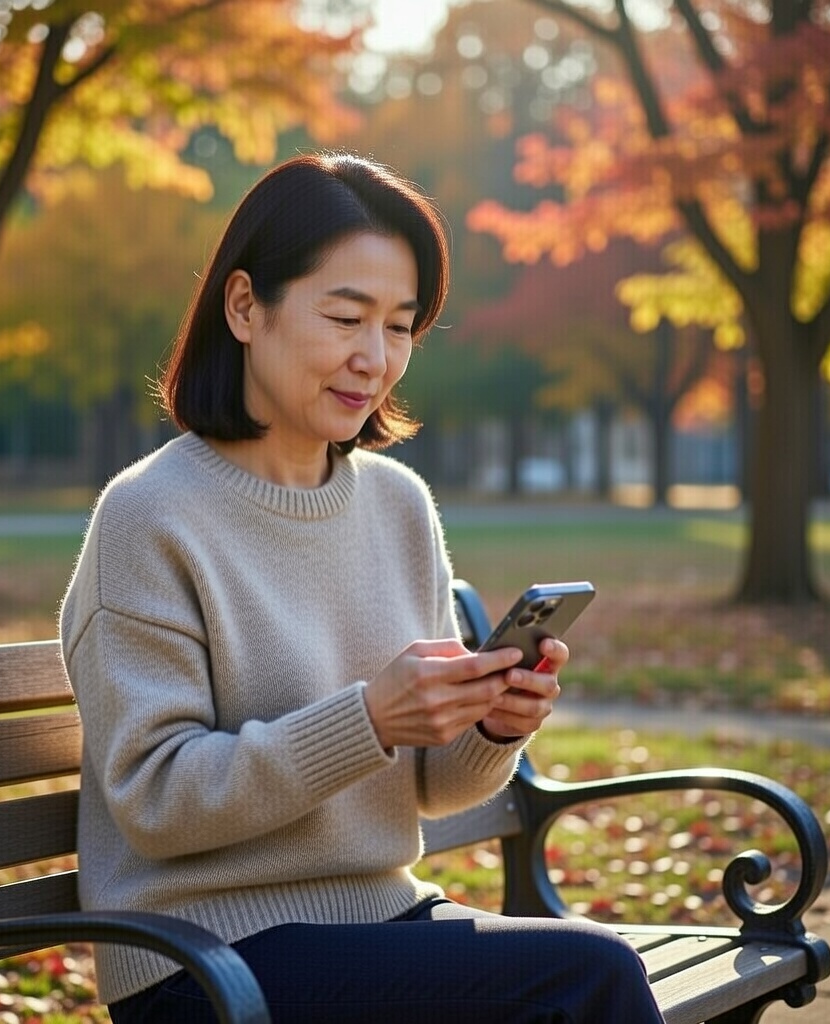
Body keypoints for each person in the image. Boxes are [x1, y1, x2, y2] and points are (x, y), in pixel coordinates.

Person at [60, 151, 664, 1023]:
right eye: (346, 317)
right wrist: (368, 718)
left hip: (382, 919)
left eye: (400, 326)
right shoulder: (150, 517)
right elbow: (156, 803)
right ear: (243, 307)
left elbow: (428, 788)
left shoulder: (395, 502)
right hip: (200, 960)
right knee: (589, 977)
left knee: (590, 973)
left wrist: (492, 723)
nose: (374, 359)